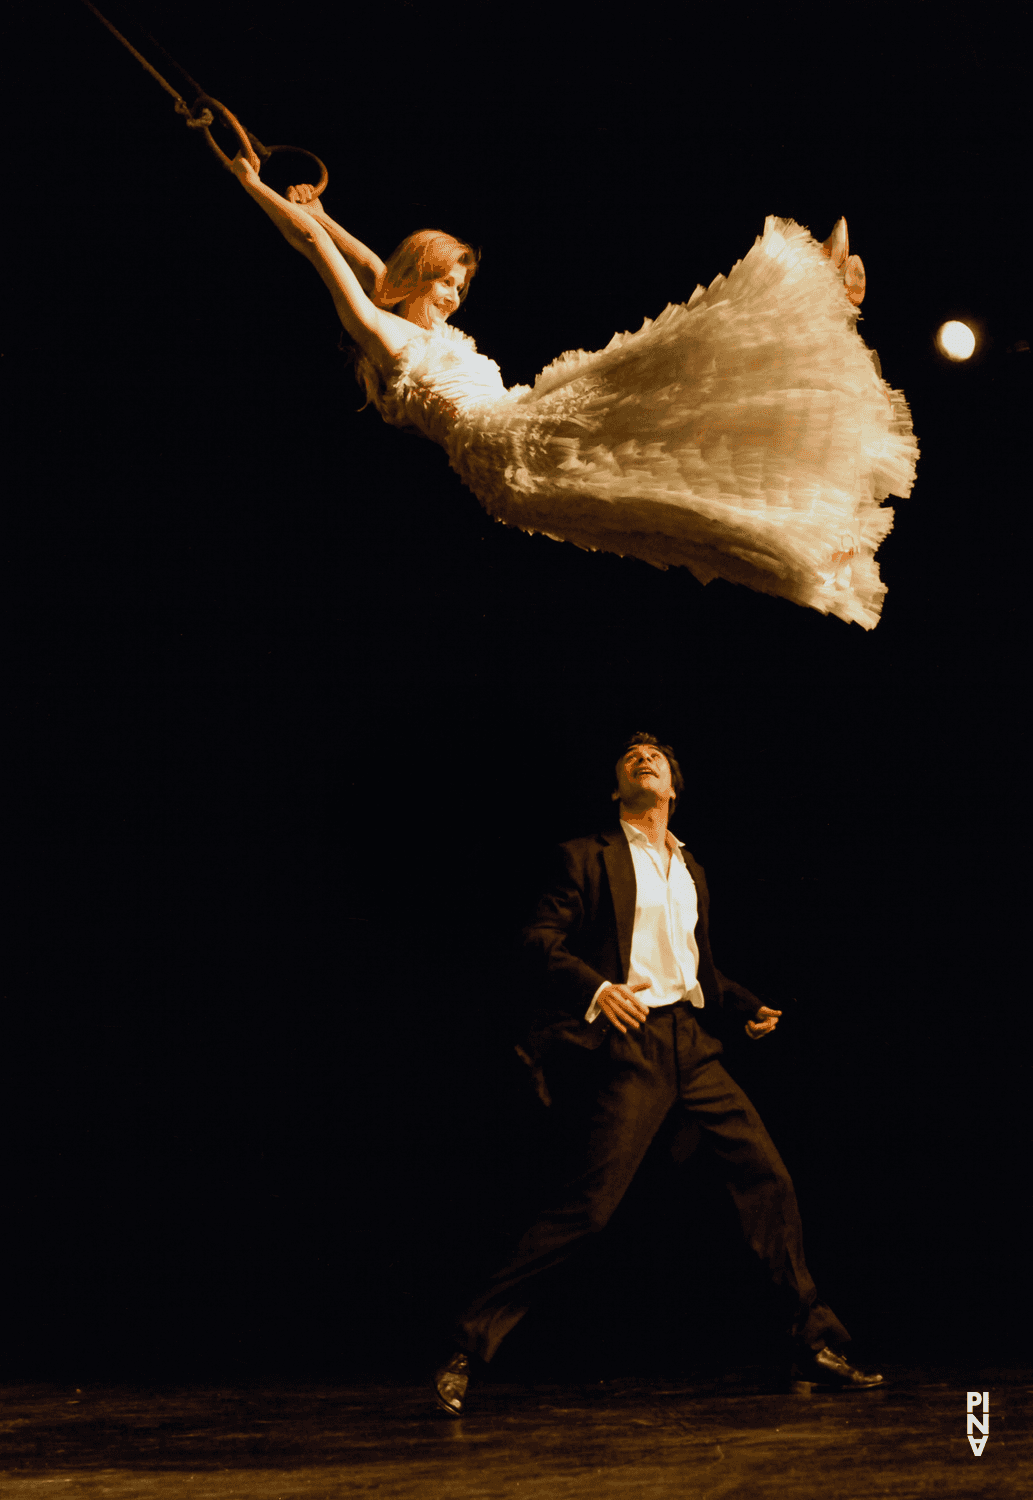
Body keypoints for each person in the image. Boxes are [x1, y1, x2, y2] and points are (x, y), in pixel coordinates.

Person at [230, 154, 918, 628]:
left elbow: (363, 257)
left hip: (512, 430)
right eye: (444, 280)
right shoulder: (384, 334)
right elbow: (315, 252)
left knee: (668, 439)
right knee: (654, 387)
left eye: (459, 288)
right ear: (420, 275)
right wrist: (252, 183)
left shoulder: (407, 320)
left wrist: (323, 208)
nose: (452, 296)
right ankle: (804, 306)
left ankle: (809, 509)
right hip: (501, 445)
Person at [432, 731, 883, 1415]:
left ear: (673, 787)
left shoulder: (689, 868)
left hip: (692, 1046)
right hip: (633, 1044)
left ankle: (812, 1341)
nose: (644, 758)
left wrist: (744, 1005)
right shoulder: (585, 856)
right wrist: (593, 989)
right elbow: (537, 943)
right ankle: (467, 1347)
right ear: (618, 789)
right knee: (589, 1209)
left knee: (767, 1177)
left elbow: (695, 972)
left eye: (657, 757)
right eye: (629, 758)